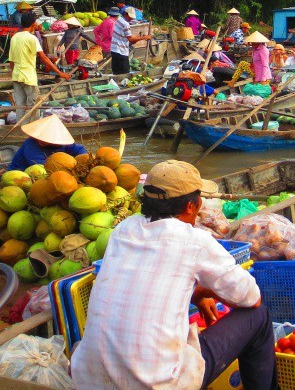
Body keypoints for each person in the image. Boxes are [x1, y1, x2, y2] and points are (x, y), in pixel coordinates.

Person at [72, 160, 272, 390]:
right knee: (259, 317)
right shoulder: (195, 241)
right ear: (191, 206)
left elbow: (146, 280)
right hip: (158, 385)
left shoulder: (123, 230)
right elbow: (251, 297)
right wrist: (209, 290)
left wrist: (197, 293)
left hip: (90, 380)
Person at [10, 11, 70, 109]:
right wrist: (60, 73)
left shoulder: (15, 37)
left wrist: (14, 73)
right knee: (33, 107)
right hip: (28, 77)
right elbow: (44, 58)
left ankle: (22, 124)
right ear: (33, 23)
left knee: (20, 106)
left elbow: (11, 61)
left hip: (16, 76)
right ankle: (32, 124)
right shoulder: (32, 38)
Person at [7, 114, 88, 171]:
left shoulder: (61, 143)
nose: (41, 140)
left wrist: (84, 161)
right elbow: (44, 168)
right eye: (40, 136)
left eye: (45, 138)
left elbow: (79, 149)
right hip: (21, 174)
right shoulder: (31, 145)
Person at [111, 6, 152, 75]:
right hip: (121, 52)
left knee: (116, 72)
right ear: (125, 14)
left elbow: (127, 36)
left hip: (114, 49)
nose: (131, 18)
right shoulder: (125, 24)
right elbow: (131, 40)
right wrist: (145, 37)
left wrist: (138, 38)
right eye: (130, 16)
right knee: (125, 73)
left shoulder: (119, 19)